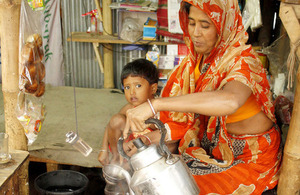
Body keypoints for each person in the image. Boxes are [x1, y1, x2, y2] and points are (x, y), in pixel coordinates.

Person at [122, 0, 282, 194]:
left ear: (223, 25)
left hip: (251, 160)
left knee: (174, 187)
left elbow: (229, 100)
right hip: (216, 152)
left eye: (205, 25)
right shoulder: (197, 62)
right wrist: (140, 133)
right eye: (191, 23)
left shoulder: (243, 61)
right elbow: (186, 119)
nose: (196, 32)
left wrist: (155, 104)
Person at [98, 58, 159, 166]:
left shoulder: (159, 109)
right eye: (127, 87)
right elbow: (110, 126)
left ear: (153, 88)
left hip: (152, 154)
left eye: (138, 86)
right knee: (116, 120)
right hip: (131, 146)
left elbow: (166, 135)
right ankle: (117, 159)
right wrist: (103, 150)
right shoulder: (129, 108)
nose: (132, 92)